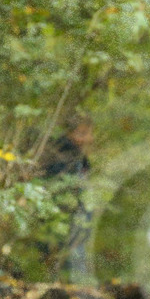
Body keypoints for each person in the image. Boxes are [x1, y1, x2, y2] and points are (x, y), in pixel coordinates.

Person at [41, 115, 94, 281]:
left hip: (78, 219)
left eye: (89, 133)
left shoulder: (78, 157)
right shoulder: (62, 155)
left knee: (76, 258)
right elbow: (58, 188)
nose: (88, 138)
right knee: (68, 260)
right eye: (82, 133)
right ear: (69, 134)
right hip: (65, 220)